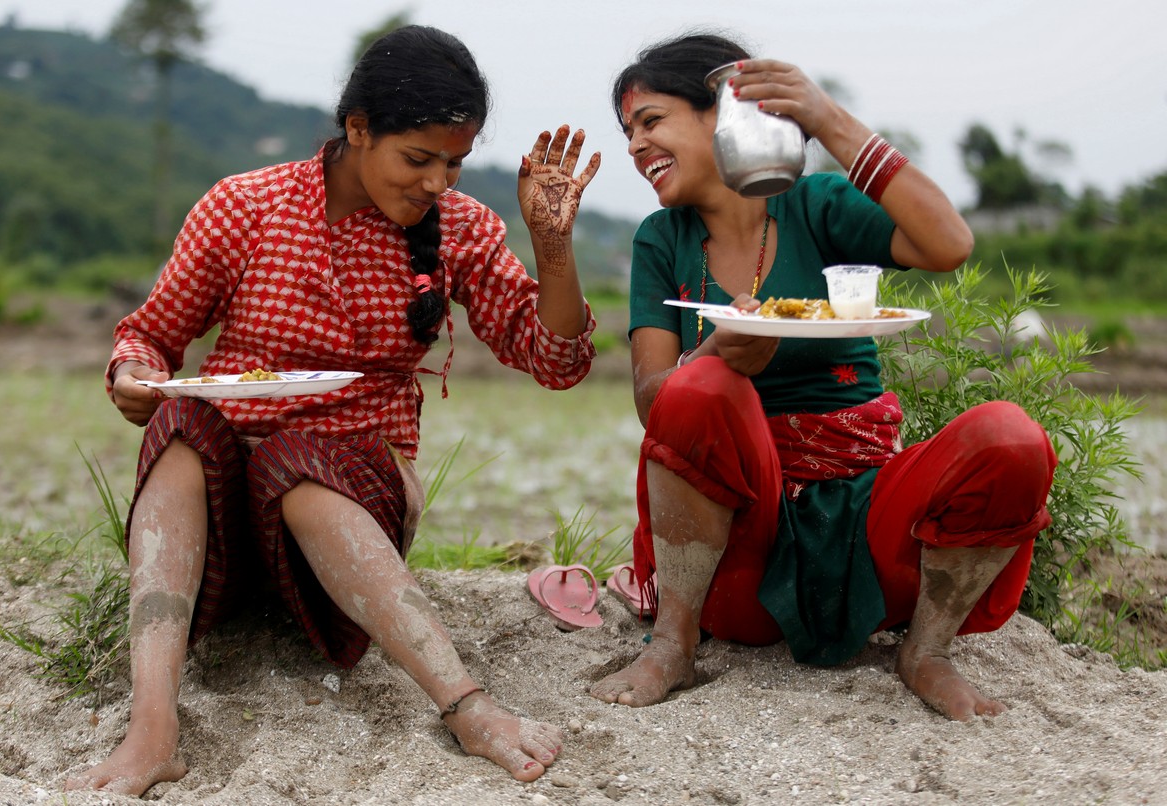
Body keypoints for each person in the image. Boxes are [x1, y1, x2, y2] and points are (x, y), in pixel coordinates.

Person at [65, 25, 600, 796]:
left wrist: (553, 247)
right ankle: (153, 726)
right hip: (217, 535)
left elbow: (556, 363)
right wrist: (135, 377)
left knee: (296, 461)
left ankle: (467, 705)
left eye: (454, 164)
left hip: (349, 520)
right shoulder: (244, 207)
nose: (437, 184)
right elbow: (147, 337)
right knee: (182, 428)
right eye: (418, 159)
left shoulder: (464, 231)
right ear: (356, 130)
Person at [588, 33, 1057, 721]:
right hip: (740, 558)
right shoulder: (664, 241)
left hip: (869, 530)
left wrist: (826, 120)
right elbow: (654, 401)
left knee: (1010, 438)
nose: (634, 146)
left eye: (651, 121)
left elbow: (948, 244)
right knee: (702, 388)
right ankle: (673, 643)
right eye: (628, 130)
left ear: (724, 111)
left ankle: (926, 651)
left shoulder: (818, 207)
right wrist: (718, 355)